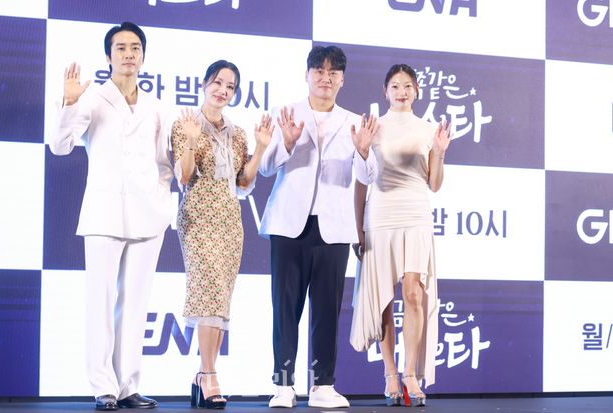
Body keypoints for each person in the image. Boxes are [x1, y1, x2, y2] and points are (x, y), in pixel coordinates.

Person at [48, 22, 172, 411]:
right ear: (109, 56)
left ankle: (128, 386)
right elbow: (59, 146)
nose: (129, 54)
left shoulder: (156, 105)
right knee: (100, 300)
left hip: (148, 214)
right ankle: (103, 386)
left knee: (135, 303)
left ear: (143, 56)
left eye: (135, 47)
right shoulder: (91, 98)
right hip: (104, 212)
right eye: (121, 48)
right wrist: (68, 103)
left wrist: (161, 199)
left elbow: (164, 163)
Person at [258, 45, 380, 409]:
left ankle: (323, 384)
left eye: (333, 72)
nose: (326, 78)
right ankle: (283, 384)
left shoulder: (354, 121)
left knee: (327, 310)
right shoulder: (286, 113)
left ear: (342, 79)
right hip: (288, 225)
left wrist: (363, 151)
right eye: (319, 71)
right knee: (285, 307)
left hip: (334, 227)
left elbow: (368, 176)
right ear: (307, 75)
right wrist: (286, 144)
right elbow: (265, 167)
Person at [170, 60, 273, 410]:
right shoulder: (185, 123)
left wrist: (260, 147)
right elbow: (184, 177)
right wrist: (190, 140)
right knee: (208, 291)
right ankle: (210, 374)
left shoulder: (238, 133)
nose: (222, 90)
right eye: (217, 83)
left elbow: (244, 182)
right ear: (204, 84)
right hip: (199, 216)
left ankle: (203, 375)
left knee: (221, 298)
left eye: (230, 86)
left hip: (230, 218)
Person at [350, 63, 451, 407]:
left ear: (417, 90)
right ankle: (390, 373)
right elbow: (361, 183)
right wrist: (357, 229)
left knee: (413, 294)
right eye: (395, 86)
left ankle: (410, 374)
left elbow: (434, 184)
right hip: (380, 216)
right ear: (385, 91)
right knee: (383, 299)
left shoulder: (429, 129)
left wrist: (440, 153)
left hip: (415, 214)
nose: (401, 92)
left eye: (407, 86)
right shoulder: (373, 127)